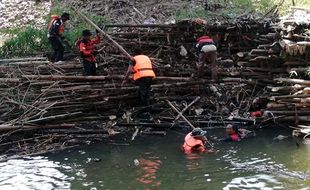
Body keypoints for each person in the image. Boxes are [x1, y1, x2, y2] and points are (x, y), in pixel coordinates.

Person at [122, 48, 156, 114]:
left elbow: (129, 71)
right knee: (146, 91)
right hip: (151, 75)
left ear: (134, 53)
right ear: (141, 52)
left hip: (142, 76)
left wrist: (125, 79)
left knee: (144, 92)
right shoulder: (146, 57)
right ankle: (148, 107)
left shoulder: (133, 59)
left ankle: (146, 109)